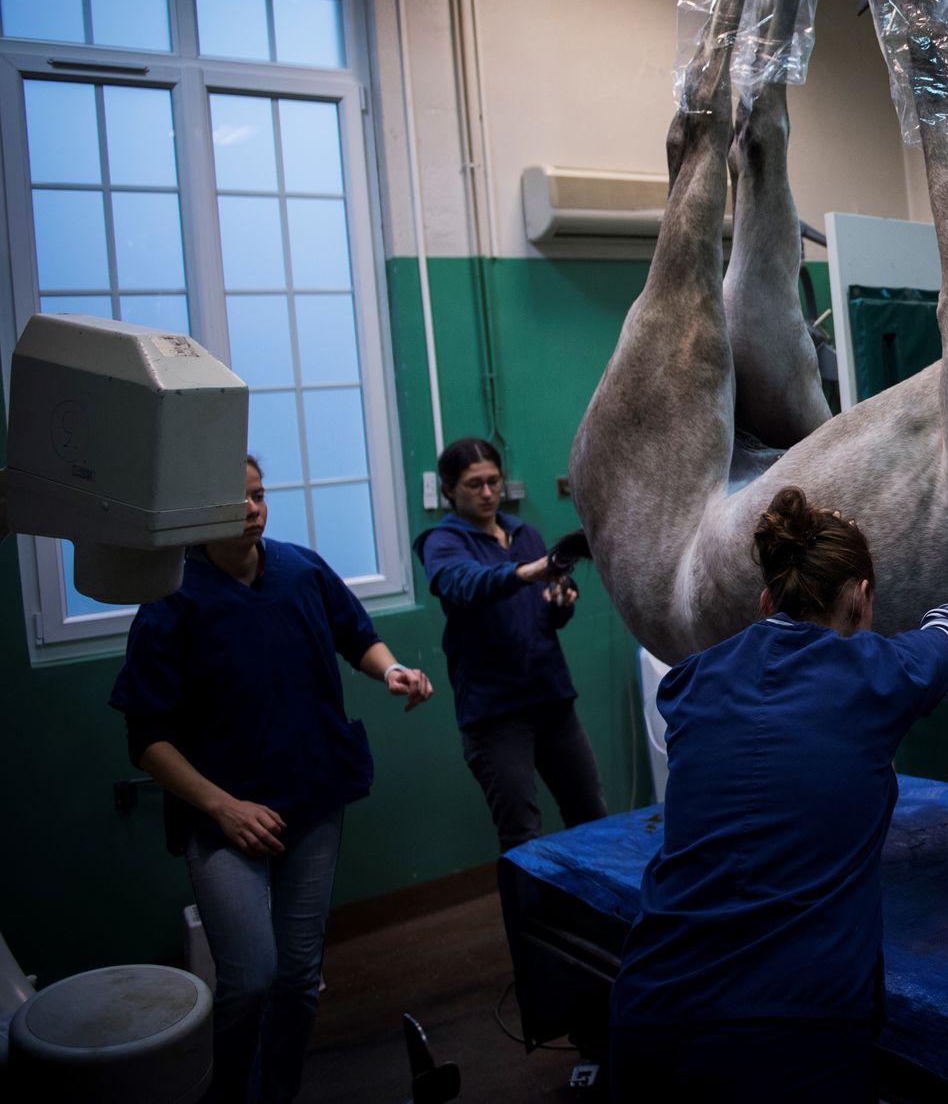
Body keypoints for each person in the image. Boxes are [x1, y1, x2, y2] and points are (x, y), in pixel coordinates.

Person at [608, 459, 948, 1102]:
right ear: (862, 597)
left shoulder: (689, 684)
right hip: (791, 1035)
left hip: (649, 1009)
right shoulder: (883, 675)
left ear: (764, 602)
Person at [109, 455, 433, 1104]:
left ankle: (276, 1094)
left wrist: (391, 669)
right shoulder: (173, 597)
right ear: (202, 510)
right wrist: (224, 807)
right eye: (238, 499)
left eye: (259, 495)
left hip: (312, 797)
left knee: (296, 977)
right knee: (252, 977)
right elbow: (147, 740)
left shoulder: (300, 568)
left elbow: (356, 634)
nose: (254, 508)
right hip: (223, 818)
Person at [414, 437, 605, 852]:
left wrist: (560, 601)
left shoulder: (525, 534)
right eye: (473, 484)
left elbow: (545, 614)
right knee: (522, 837)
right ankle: (532, 919)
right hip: (495, 712)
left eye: (493, 481)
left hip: (551, 698)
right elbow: (466, 584)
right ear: (449, 490)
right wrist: (528, 572)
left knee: (590, 815)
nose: (486, 492)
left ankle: (598, 918)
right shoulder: (442, 543)